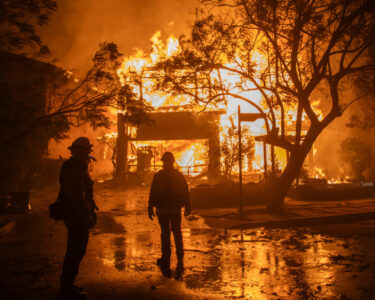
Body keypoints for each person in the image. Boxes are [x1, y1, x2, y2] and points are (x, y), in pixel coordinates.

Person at [59, 137, 98, 299]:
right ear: (81, 152)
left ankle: (68, 285)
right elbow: (77, 195)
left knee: (75, 250)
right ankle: (67, 288)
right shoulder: (76, 169)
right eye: (87, 151)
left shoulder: (73, 166)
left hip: (73, 214)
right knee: (76, 251)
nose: (89, 154)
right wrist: (86, 214)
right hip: (77, 215)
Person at [148, 151, 191, 278]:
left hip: (163, 211)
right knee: (176, 232)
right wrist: (188, 205)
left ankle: (166, 258)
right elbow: (185, 191)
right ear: (172, 162)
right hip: (174, 210)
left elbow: (153, 192)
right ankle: (179, 257)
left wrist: (150, 207)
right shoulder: (178, 176)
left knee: (166, 234)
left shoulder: (158, 176)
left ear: (164, 162)